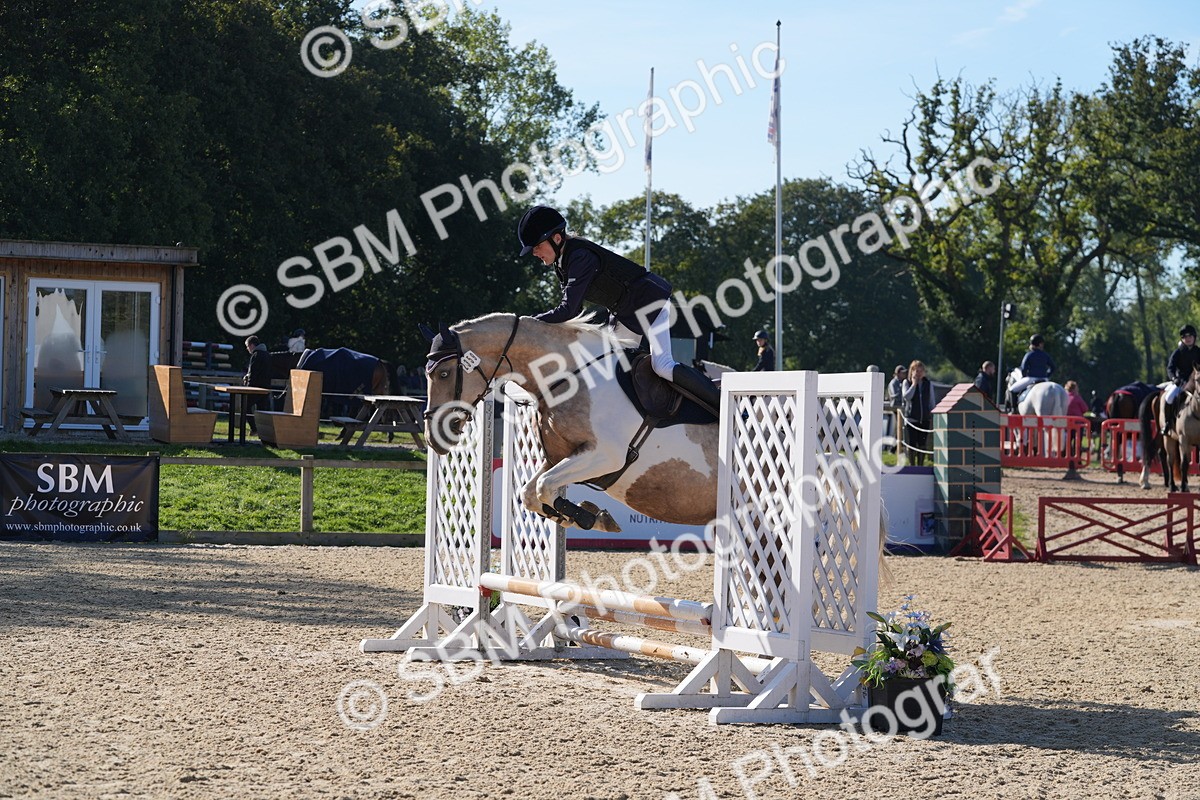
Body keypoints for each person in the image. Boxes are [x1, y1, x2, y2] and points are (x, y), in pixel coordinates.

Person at [517, 205, 720, 411]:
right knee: (611, 367)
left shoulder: (580, 257)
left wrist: (529, 323)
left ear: (557, 238)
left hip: (649, 301)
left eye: (537, 246)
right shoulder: (562, 263)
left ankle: (719, 401)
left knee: (663, 365)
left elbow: (568, 309)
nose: (534, 253)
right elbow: (574, 312)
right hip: (625, 311)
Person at [1164, 324, 1200, 432]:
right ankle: (1168, 423)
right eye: (1185, 337)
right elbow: (1170, 368)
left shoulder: (1198, 351)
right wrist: (1174, 378)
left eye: (1190, 336)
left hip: (1196, 382)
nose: (1188, 339)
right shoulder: (1178, 352)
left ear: (1194, 337)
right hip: (1181, 382)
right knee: (1169, 398)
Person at [901, 360, 935, 466]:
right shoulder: (906, 383)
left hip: (924, 418)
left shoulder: (928, 384)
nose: (919, 373)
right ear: (911, 371)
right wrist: (914, 384)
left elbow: (931, 401)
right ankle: (912, 465)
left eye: (921, 371)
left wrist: (932, 413)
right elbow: (907, 397)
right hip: (912, 419)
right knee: (912, 443)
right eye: (916, 371)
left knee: (922, 444)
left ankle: (920, 465)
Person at [1007, 334, 1055, 409]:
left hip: (1031, 378)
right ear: (1040, 344)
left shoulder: (1029, 355)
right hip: (1044, 379)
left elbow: (1023, 369)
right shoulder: (1045, 355)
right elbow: (1053, 367)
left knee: (1012, 389)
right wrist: (1047, 375)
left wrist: (1024, 376)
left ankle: (1013, 410)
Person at [242, 335, 273, 433]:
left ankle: (254, 428)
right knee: (262, 411)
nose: (247, 349)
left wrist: (248, 387)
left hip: (255, 387)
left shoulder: (256, 355)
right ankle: (263, 431)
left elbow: (253, 373)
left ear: (252, 345)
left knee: (245, 407)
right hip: (266, 388)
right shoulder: (267, 355)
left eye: (247, 346)